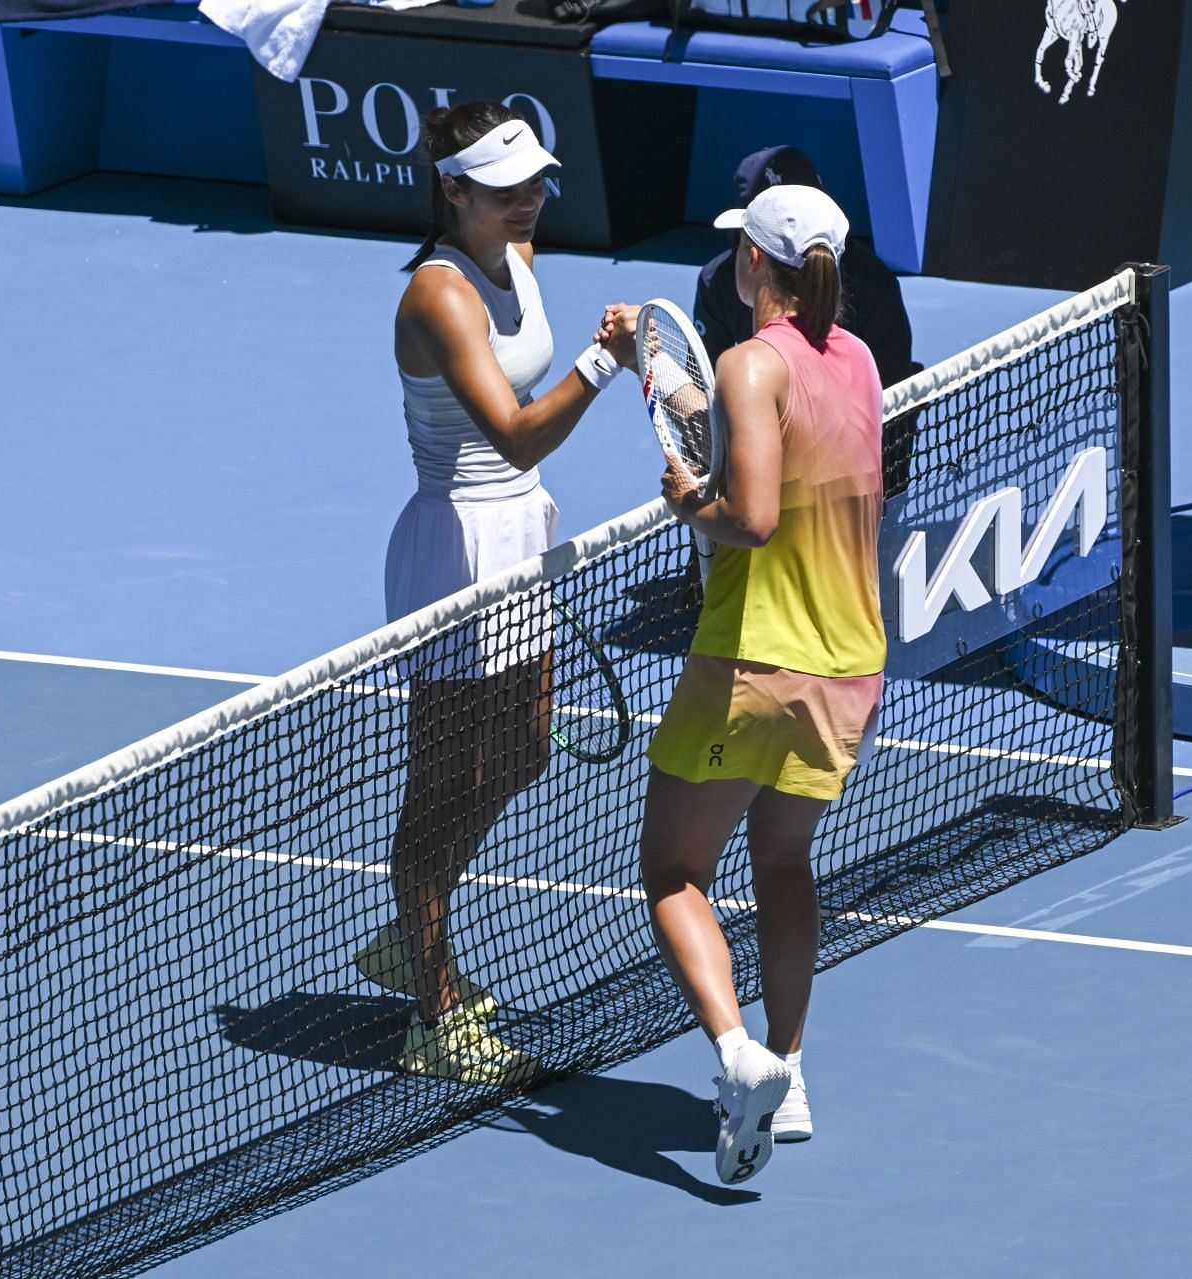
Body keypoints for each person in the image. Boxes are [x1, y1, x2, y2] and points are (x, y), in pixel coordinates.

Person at [359, 100, 631, 1088]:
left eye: (537, 186)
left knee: (519, 751)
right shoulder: (438, 295)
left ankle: (407, 927)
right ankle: (431, 1013)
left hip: (522, 532)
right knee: (443, 781)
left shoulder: (513, 258)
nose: (532, 203)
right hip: (458, 550)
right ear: (455, 190)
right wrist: (606, 363)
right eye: (510, 191)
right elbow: (512, 433)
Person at [621, 184, 887, 1185]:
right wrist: (654, 374)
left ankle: (738, 1057)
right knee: (782, 864)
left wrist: (696, 505)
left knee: (674, 874)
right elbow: (769, 426)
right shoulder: (856, 359)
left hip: (750, 665)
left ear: (751, 267)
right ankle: (794, 1066)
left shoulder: (746, 361)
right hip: (849, 670)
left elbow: (754, 514)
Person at [693, 145, 919, 386]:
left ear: (753, 256)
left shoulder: (873, 283)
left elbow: (895, 391)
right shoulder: (716, 280)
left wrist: (658, 367)